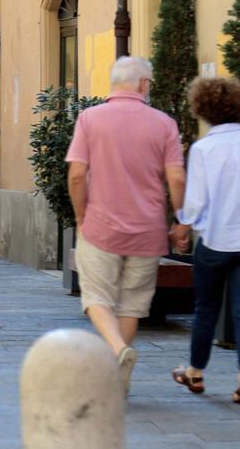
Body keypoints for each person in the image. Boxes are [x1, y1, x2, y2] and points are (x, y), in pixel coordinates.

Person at [66, 56, 186, 392]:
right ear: (144, 84)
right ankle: (118, 379)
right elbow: (176, 177)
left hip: (100, 226)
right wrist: (180, 220)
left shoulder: (90, 119)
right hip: (147, 231)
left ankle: (119, 350)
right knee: (132, 303)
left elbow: (77, 174)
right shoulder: (164, 123)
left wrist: (80, 214)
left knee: (97, 297)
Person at [169, 77, 240, 403]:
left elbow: (196, 200)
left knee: (206, 308)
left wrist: (183, 226)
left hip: (213, 240)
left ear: (203, 109)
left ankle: (195, 372)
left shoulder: (203, 148)